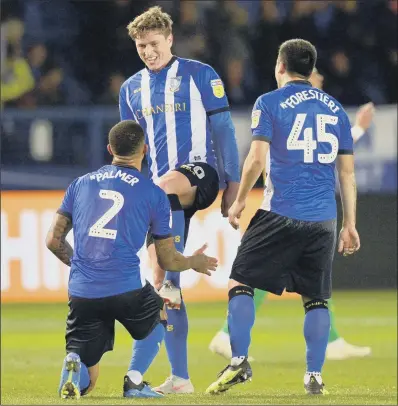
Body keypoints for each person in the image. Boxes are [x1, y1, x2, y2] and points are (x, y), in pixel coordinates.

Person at [206, 39, 360, 396]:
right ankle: (314, 376)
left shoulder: (269, 102)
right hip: (324, 219)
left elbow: (257, 159)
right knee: (316, 298)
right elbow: (347, 174)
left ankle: (238, 360)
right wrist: (350, 224)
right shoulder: (336, 109)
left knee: (241, 282)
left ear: (280, 66)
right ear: (311, 69)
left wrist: (239, 201)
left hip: (280, 213)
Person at [45, 120, 218, 400]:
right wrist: (193, 262)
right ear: (145, 150)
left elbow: (52, 240)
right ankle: (134, 380)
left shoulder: (79, 184)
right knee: (161, 310)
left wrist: (82, 265)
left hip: (82, 291)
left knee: (89, 383)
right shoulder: (154, 193)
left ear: (110, 149)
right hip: (125, 287)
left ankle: (74, 361)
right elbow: (167, 260)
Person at [119, 6, 240, 394]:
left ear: (170, 39)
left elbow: (223, 131)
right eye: (141, 46)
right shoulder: (130, 89)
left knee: (168, 187)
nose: (148, 52)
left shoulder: (200, 75)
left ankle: (170, 278)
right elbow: (132, 152)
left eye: (154, 44)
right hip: (159, 194)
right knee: (162, 290)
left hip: (199, 173)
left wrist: (233, 186)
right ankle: (181, 378)